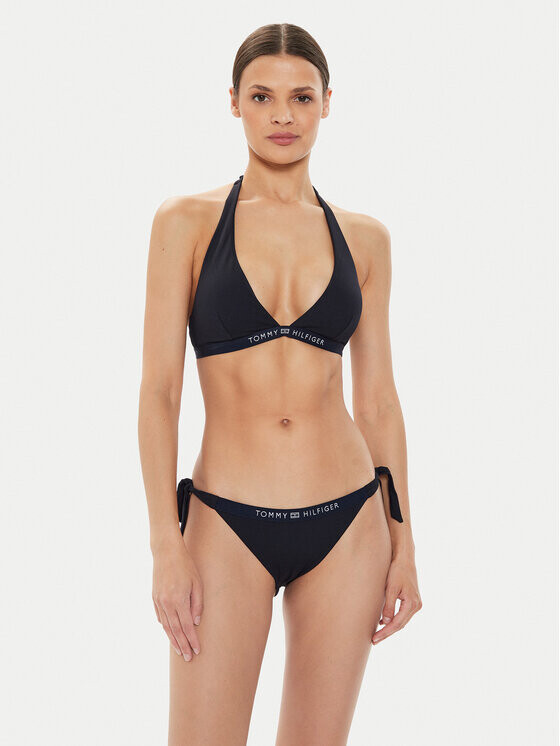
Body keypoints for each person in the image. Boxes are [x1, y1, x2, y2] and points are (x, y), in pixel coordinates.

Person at [138, 22, 422, 746]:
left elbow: (378, 400)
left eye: (301, 97)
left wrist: (405, 544)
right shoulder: (187, 222)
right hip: (225, 523)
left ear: (328, 102)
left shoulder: (365, 238)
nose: (283, 115)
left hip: (349, 524)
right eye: (262, 96)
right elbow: (159, 394)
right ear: (234, 102)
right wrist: (165, 545)